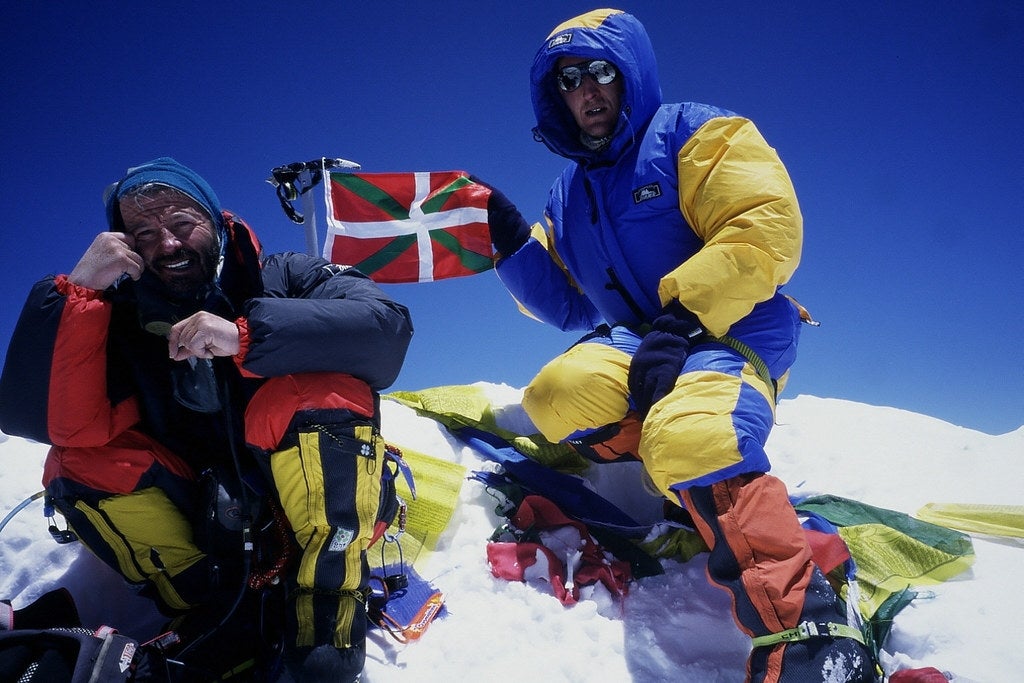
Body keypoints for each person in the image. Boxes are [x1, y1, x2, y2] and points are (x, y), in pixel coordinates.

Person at [482, 9, 876, 682]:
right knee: (558, 394)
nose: (587, 90)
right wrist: (514, 243)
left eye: (601, 71)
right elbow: (569, 302)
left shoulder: (696, 133)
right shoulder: (568, 192)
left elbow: (764, 226)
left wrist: (686, 318)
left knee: (692, 431)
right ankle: (691, 499)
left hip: (733, 327)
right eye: (570, 79)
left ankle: (808, 630)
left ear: (629, 73)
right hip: (644, 343)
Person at [0, 157, 414, 682]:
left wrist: (245, 337)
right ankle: (211, 604)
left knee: (316, 390)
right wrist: (81, 294)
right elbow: (58, 425)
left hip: (312, 499)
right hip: (202, 518)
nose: (167, 244)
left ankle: (327, 600)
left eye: (181, 223)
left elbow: (385, 332)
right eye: (144, 233)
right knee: (77, 459)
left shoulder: (284, 275)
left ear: (216, 222)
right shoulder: (120, 317)